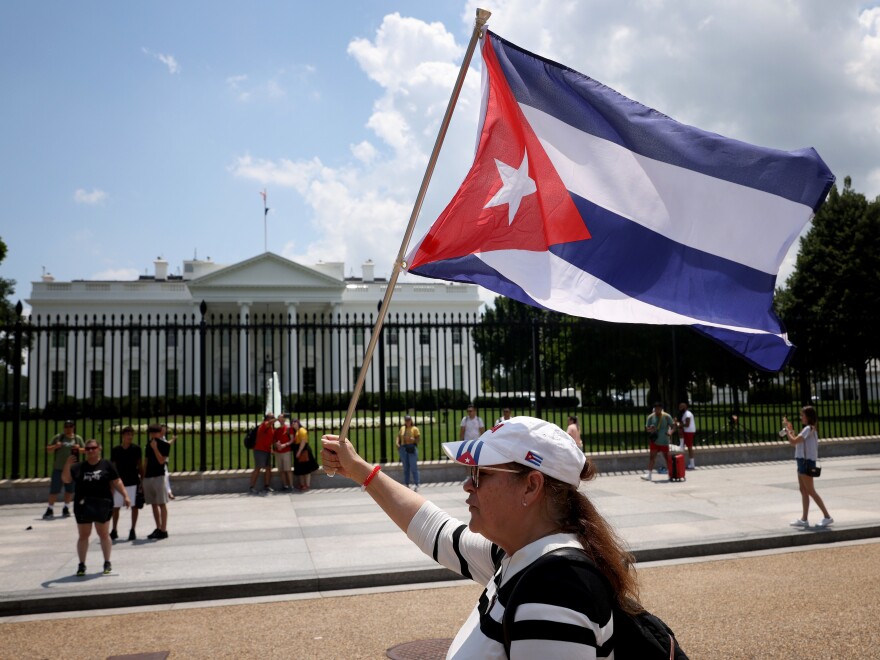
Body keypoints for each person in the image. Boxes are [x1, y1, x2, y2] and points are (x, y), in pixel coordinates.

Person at [321, 416, 643, 657]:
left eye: (480, 472)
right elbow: (437, 531)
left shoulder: (552, 592)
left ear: (531, 486)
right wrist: (360, 471)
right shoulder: (518, 556)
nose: (467, 484)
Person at [61, 439, 130, 576]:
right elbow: (66, 479)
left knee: (103, 534)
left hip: (102, 504)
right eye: (87, 449)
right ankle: (82, 565)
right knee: (83, 535)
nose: (91, 451)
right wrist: (67, 464)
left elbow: (117, 481)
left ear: (99, 448)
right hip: (83, 505)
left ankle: (107, 562)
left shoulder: (107, 464)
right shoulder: (78, 467)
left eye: (93, 448)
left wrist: (125, 496)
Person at [783, 406, 833, 528]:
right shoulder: (808, 429)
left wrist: (787, 430)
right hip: (802, 461)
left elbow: (793, 441)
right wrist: (791, 432)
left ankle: (827, 516)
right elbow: (797, 444)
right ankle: (804, 519)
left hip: (805, 463)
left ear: (808, 417)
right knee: (804, 490)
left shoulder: (808, 429)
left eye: (803, 415)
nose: (801, 417)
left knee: (810, 491)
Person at [43, 420, 84, 519]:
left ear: (73, 427)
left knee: (70, 490)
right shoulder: (59, 437)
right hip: (59, 468)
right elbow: (48, 449)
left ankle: (66, 507)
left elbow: (85, 450)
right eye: (66, 427)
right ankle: (50, 508)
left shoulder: (77, 438)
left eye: (70, 427)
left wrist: (79, 449)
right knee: (54, 489)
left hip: (72, 469)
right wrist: (55, 446)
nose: (68, 429)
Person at [110, 425, 142, 541]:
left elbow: (140, 465)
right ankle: (114, 529)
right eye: (128, 434)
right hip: (120, 481)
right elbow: (113, 467)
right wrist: (112, 483)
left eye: (131, 434)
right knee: (116, 507)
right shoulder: (116, 450)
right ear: (123, 436)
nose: (130, 436)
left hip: (133, 480)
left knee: (134, 506)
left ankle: (133, 529)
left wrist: (142, 481)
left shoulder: (136, 448)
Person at [142, 423, 170, 539]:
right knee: (153, 503)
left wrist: (155, 448)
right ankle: (158, 528)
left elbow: (161, 461)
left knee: (161, 503)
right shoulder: (148, 444)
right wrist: (142, 477)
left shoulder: (165, 445)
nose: (153, 435)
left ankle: (163, 529)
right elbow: (146, 461)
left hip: (159, 476)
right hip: (148, 477)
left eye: (155, 432)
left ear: (160, 433)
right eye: (151, 432)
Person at [641, 402, 675, 481]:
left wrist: (670, 432)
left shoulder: (667, 416)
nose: (657, 410)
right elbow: (647, 429)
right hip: (654, 441)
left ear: (661, 409)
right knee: (652, 457)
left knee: (667, 458)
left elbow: (673, 426)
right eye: (656, 409)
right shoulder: (650, 417)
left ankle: (671, 474)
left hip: (664, 441)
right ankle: (649, 475)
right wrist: (651, 429)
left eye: (659, 409)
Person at [249, 413, 277, 495]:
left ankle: (267, 486)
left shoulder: (271, 428)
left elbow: (269, 440)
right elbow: (269, 423)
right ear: (268, 418)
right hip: (259, 450)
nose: (274, 418)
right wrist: (277, 419)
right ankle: (251, 487)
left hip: (267, 450)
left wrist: (272, 449)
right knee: (258, 468)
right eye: (272, 417)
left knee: (268, 468)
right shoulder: (264, 424)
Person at [291, 418, 319, 491]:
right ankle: (303, 484)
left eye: (295, 422)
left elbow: (303, 442)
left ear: (298, 423)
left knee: (306, 469)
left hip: (303, 451)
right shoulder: (297, 431)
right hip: (300, 450)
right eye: (292, 423)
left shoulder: (302, 430)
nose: (294, 424)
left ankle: (307, 485)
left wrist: (299, 452)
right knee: (301, 469)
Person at [396, 415, 421, 491]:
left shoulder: (415, 429)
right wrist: (397, 443)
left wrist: (413, 439)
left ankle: (417, 483)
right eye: (406, 420)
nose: (407, 421)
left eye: (409, 420)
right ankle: (407, 483)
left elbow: (418, 439)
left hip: (411, 447)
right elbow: (398, 436)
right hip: (403, 448)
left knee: (413, 467)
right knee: (406, 468)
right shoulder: (402, 428)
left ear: (411, 420)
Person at [273, 413, 294, 491]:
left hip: (286, 451)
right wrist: (276, 444)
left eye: (282, 418)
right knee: (281, 470)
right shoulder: (277, 430)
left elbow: (292, 440)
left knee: (288, 470)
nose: (280, 420)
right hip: (278, 452)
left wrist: (284, 445)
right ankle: (285, 486)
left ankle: (291, 486)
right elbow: (274, 440)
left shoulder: (288, 428)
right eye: (279, 418)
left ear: (284, 419)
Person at [676, 401, 696, 470]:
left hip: (689, 431)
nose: (680, 408)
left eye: (681, 407)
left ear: (685, 407)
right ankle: (682, 444)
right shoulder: (684, 414)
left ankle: (692, 464)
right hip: (687, 431)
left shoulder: (687, 414)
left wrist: (679, 425)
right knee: (680, 430)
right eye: (679, 407)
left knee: (690, 447)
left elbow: (687, 424)